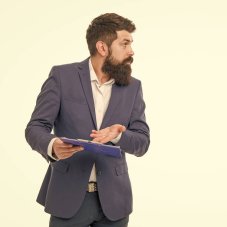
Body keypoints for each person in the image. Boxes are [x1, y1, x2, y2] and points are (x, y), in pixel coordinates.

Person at [25, 13, 150, 227]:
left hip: (115, 203)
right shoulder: (62, 77)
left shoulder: (133, 86)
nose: (131, 51)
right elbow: (36, 127)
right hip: (68, 199)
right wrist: (52, 145)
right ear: (102, 47)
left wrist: (119, 135)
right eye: (125, 43)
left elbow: (142, 142)